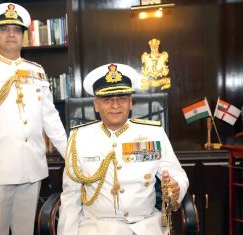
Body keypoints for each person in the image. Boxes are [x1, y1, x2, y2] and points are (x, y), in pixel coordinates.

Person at [0, 3, 67, 235]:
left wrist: (72, 156)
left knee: (25, 231)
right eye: (5, 29)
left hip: (31, 168)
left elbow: (51, 119)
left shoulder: (36, 71)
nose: (11, 34)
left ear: (22, 37)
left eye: (16, 30)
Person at [57, 63, 189, 235]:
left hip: (146, 226)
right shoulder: (78, 139)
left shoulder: (153, 133)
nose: (115, 105)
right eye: (107, 99)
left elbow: (177, 175)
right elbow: (71, 197)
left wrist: (175, 189)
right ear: (96, 105)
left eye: (122, 98)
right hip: (97, 228)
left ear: (131, 103)